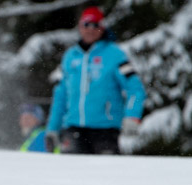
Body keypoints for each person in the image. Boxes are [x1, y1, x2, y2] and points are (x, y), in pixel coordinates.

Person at [45, 6, 146, 154]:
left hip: (105, 130)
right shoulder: (71, 56)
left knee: (104, 174)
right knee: (69, 174)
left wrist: (132, 116)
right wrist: (52, 128)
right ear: (80, 27)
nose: (90, 29)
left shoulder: (115, 55)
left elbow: (135, 88)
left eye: (95, 25)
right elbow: (60, 95)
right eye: (86, 25)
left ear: (102, 28)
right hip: (73, 129)